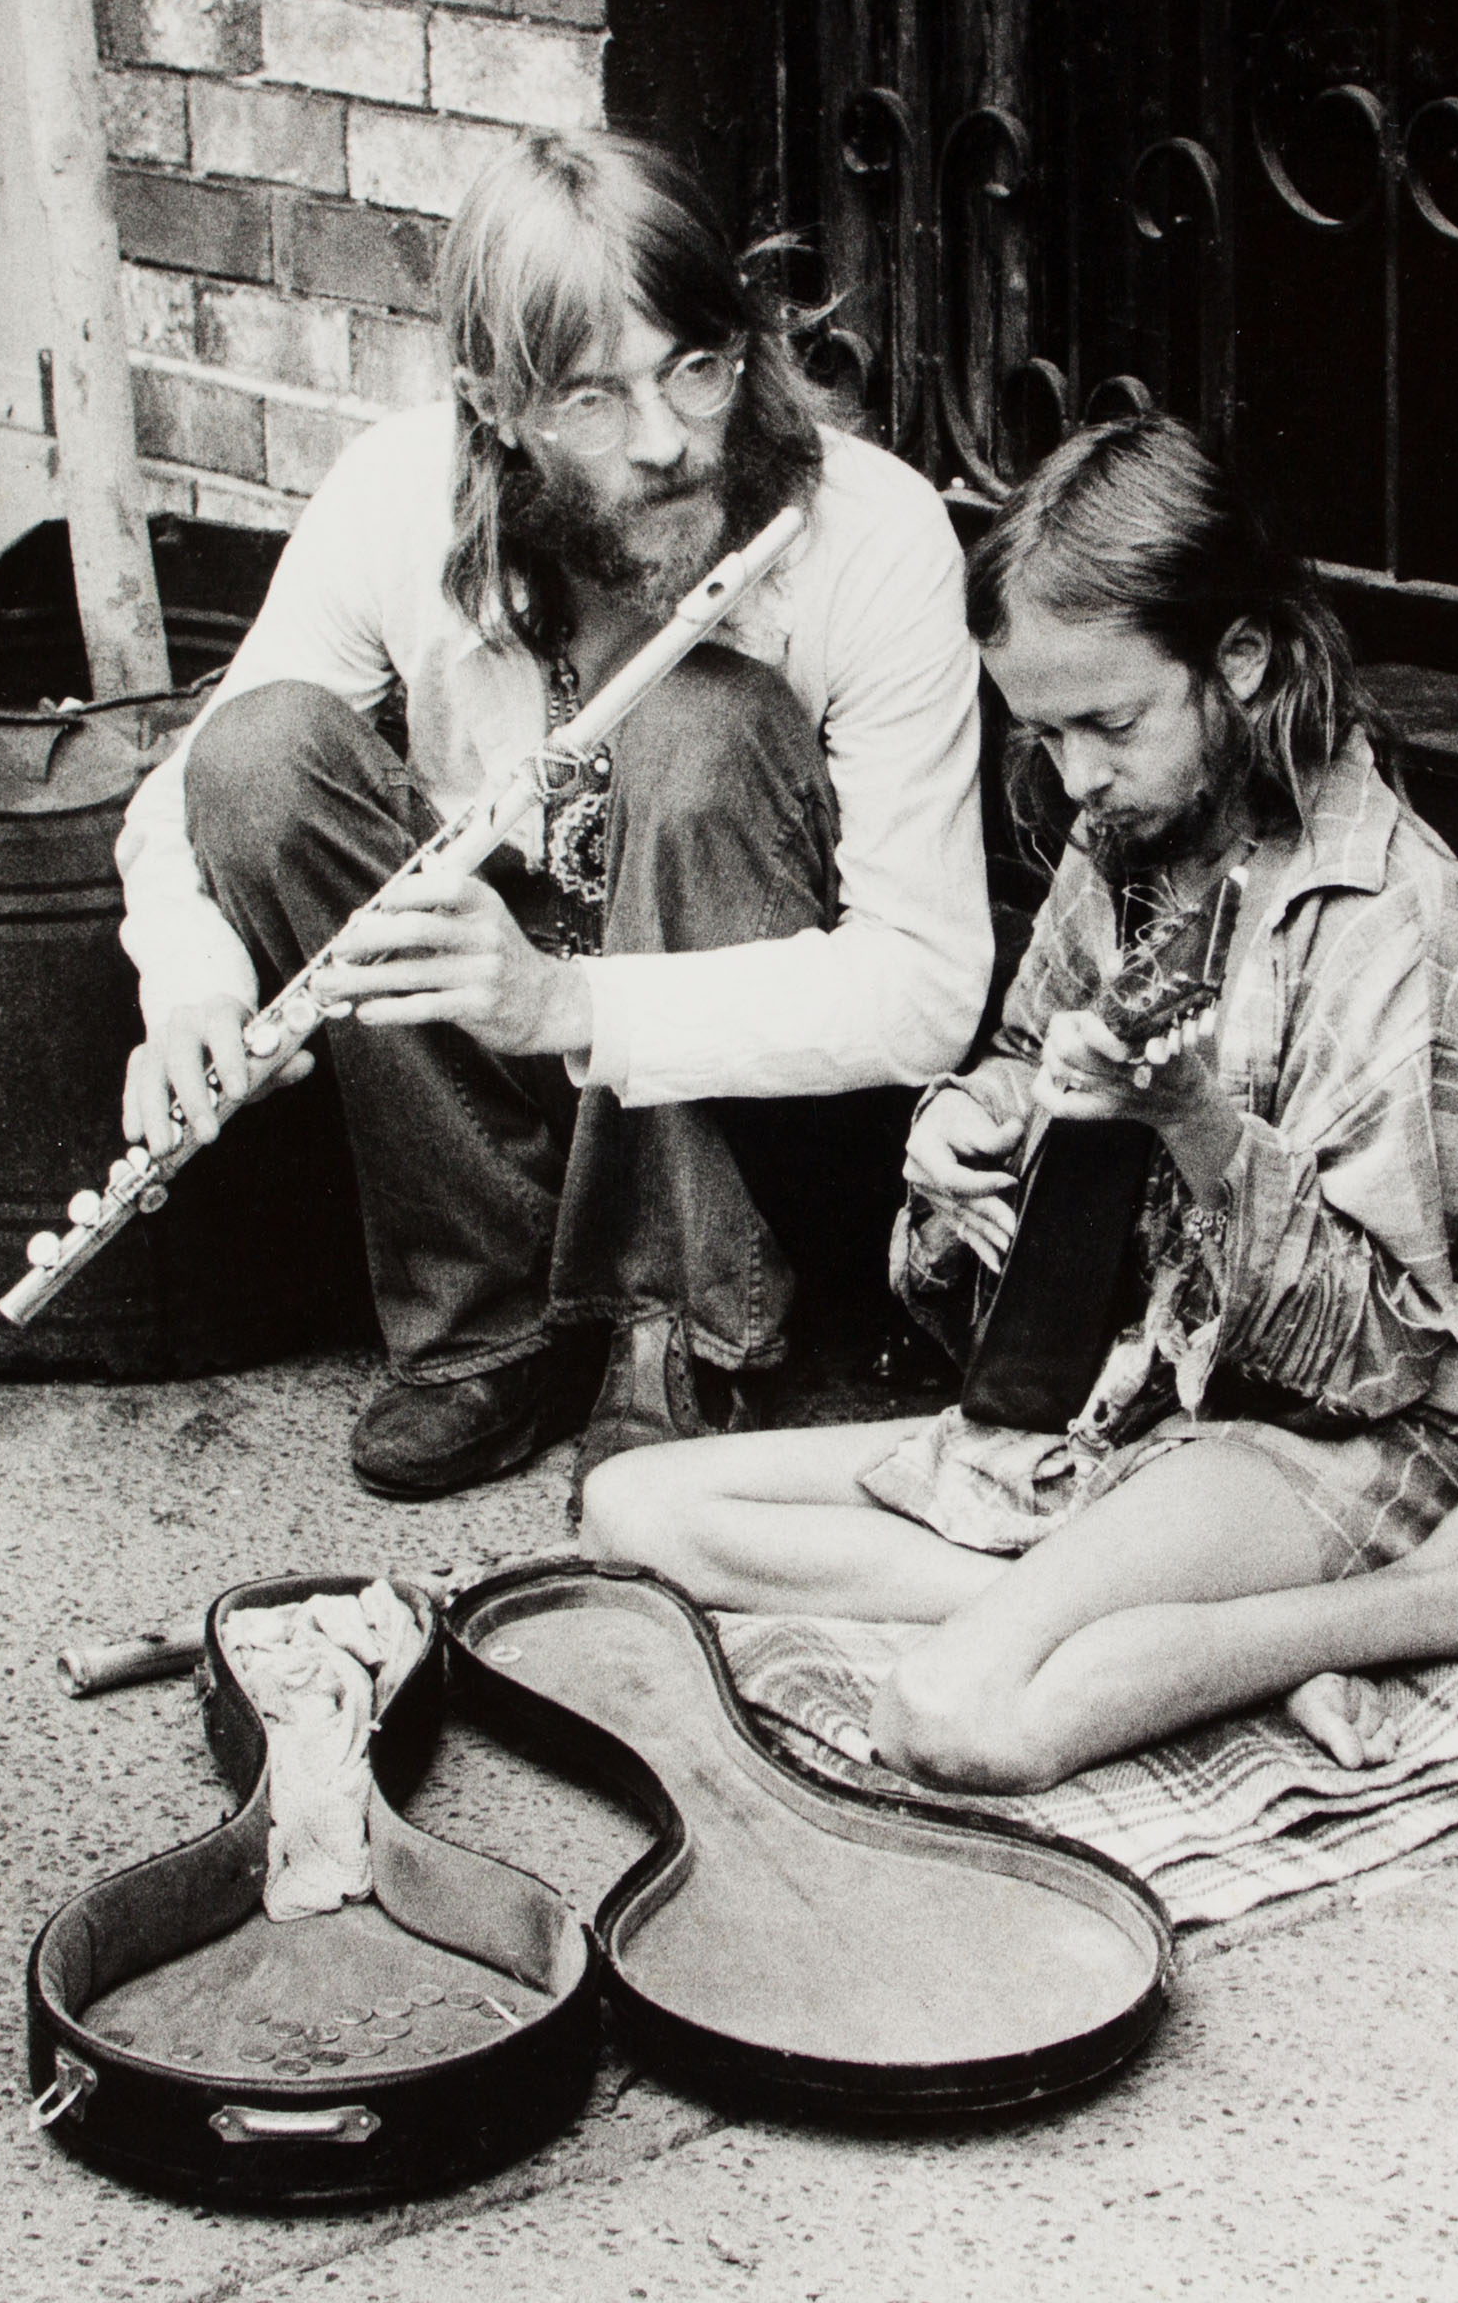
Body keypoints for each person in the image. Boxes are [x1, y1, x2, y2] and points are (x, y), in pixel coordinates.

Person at [579, 415, 1458, 1794]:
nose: (1076, 776)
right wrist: (978, 1122)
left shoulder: (1390, 929)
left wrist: (1196, 1123)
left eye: (1108, 723)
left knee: (953, 1716)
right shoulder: (1131, 830)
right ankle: (1248, 1640)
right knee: (632, 1509)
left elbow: (1370, 1355)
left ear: (1236, 660)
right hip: (1144, 1397)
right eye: (1044, 730)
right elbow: (1027, 1054)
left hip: (1347, 1431)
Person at [113, 130, 989, 1498]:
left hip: (755, 1105)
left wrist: (573, 1005)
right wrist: (191, 983)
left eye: (697, 367)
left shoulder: (871, 533)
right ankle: (488, 1321)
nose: (664, 443)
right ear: (495, 405)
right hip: (495, 1069)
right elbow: (196, 787)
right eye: (588, 399)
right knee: (260, 757)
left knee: (701, 723)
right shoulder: (398, 492)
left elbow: (928, 986)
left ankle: (678, 1331)